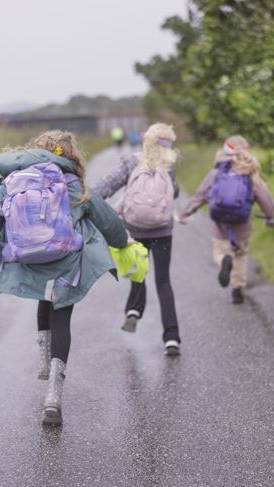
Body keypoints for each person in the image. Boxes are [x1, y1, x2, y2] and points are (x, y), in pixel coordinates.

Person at [0, 130, 128, 425]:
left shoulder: (17, 181)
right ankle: (54, 396)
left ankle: (43, 361)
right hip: (66, 264)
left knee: (42, 297)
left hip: (30, 258)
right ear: (71, 154)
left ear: (36, 151)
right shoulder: (74, 186)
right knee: (62, 315)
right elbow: (107, 220)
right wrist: (124, 242)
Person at [95, 123, 182, 356]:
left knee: (138, 272)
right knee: (163, 282)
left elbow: (105, 187)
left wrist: (86, 201)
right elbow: (174, 191)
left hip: (134, 228)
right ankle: (172, 337)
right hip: (163, 229)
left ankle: (133, 309)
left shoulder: (131, 161)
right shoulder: (170, 163)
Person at [179, 135, 274, 304]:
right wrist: (270, 218)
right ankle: (237, 290)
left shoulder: (217, 172)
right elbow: (266, 199)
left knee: (220, 251)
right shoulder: (250, 172)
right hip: (243, 226)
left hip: (221, 226)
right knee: (241, 255)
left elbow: (201, 195)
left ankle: (224, 260)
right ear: (247, 151)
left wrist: (186, 212)